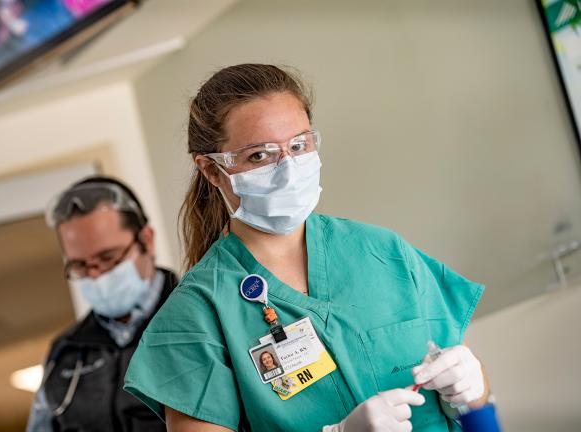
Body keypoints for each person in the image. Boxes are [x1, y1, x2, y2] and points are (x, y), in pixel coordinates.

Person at [124, 64, 490, 432]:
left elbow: (475, 409)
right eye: (259, 156)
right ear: (212, 170)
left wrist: (471, 394)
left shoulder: (383, 252)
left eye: (298, 146)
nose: (288, 169)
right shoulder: (197, 313)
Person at [26, 176, 177, 432]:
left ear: (147, 241)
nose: (96, 275)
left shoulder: (199, 319)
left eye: (108, 257)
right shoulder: (66, 354)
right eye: (80, 265)